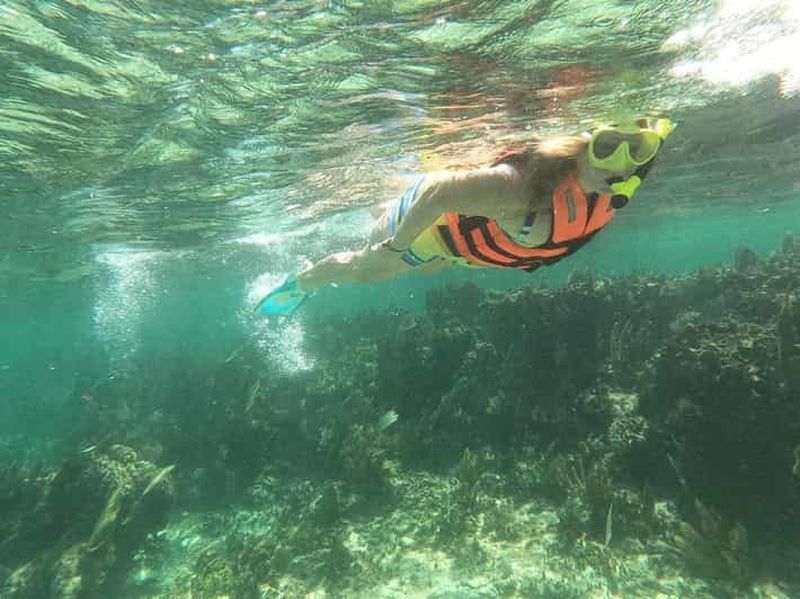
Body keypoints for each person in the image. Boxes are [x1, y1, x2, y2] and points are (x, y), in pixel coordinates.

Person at [257, 117, 675, 316]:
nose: (619, 166)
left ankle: (383, 206)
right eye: (606, 148)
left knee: (428, 270)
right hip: (434, 215)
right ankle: (303, 281)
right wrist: (393, 249)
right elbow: (441, 191)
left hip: (457, 246)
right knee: (372, 270)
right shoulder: (523, 188)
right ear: (582, 144)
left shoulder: (610, 189)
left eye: (636, 151)